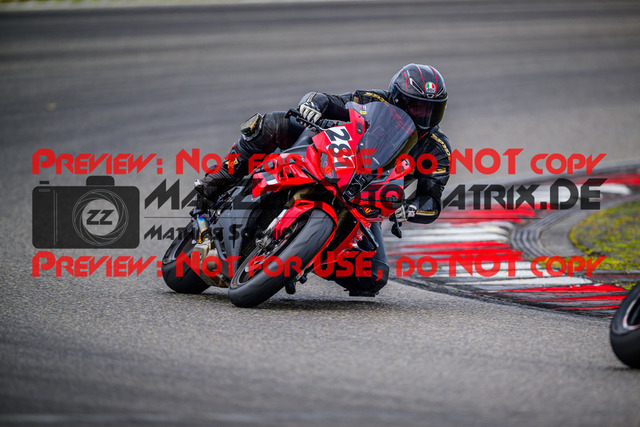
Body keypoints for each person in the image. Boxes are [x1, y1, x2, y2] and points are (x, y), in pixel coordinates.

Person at [194, 64, 452, 297]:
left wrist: (410, 208)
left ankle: (305, 255)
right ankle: (219, 179)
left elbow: (431, 200)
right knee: (271, 124)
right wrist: (313, 106)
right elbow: (328, 100)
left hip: (364, 201)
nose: (423, 115)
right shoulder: (374, 100)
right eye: (417, 106)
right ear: (397, 97)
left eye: (432, 109)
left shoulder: (437, 149)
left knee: (373, 276)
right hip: (334, 158)